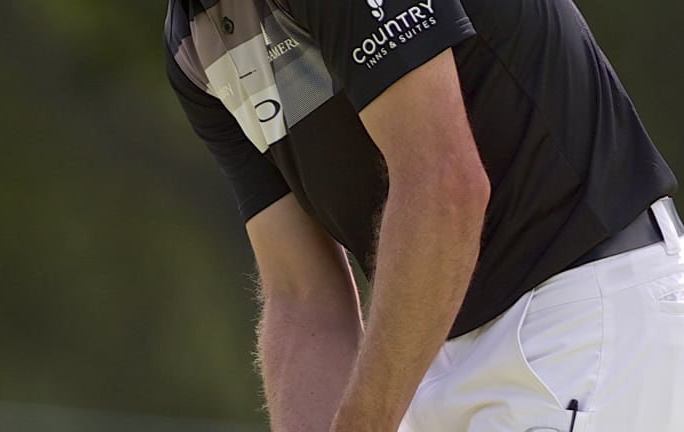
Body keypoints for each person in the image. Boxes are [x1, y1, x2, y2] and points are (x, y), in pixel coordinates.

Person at [164, 0, 684, 430]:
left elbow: (444, 189)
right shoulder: (191, 42)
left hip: (577, 321)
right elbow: (303, 296)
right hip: (425, 352)